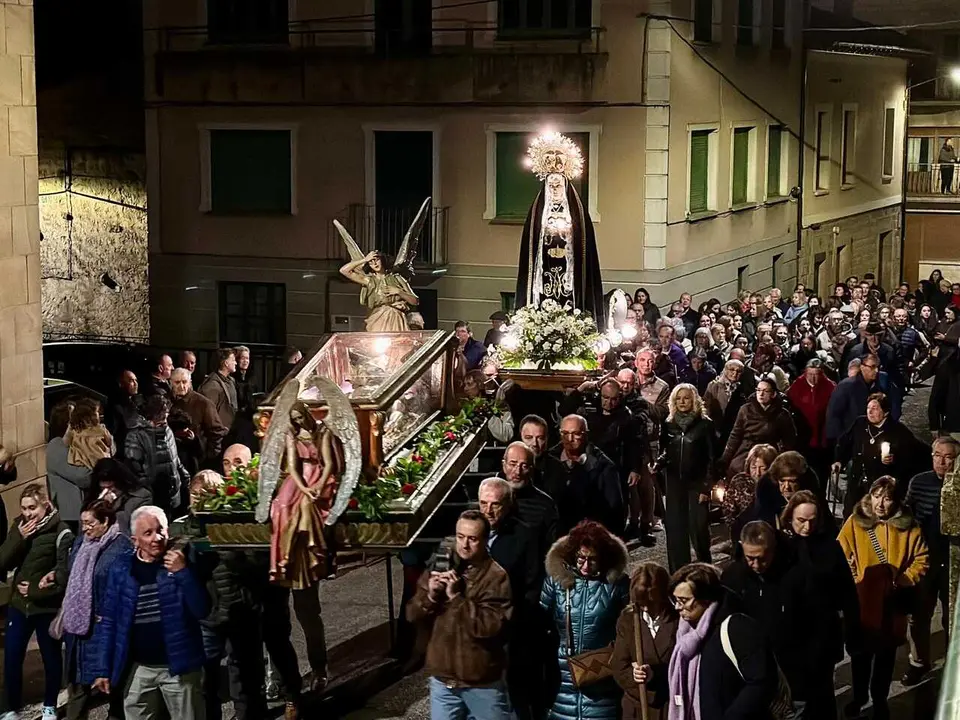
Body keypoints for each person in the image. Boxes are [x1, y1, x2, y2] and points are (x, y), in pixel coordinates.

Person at [92, 506, 208, 720]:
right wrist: (102, 668)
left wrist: (183, 573)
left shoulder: (184, 561)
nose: (157, 538)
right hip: (138, 669)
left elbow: (201, 609)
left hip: (178, 668)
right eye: (148, 533)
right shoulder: (121, 569)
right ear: (135, 540)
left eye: (160, 531)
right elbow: (108, 622)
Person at [722, 520, 839, 719]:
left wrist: (810, 668)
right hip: (753, 677)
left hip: (795, 676)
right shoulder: (734, 578)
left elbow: (821, 624)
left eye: (763, 558)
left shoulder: (800, 575)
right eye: (751, 558)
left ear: (774, 548)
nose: (757, 565)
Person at [408, 510, 514, 720]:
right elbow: (411, 615)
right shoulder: (439, 567)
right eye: (460, 537)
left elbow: (490, 627)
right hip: (444, 682)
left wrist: (456, 599)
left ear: (485, 541)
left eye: (472, 539)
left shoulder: (496, 577)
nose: (464, 545)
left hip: (482, 684)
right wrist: (429, 596)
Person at [838, 477, 928, 720]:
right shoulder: (856, 523)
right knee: (860, 655)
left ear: (895, 501)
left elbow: (921, 558)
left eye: (887, 498)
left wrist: (903, 580)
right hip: (862, 600)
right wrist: (856, 578)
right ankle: (859, 697)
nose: (880, 503)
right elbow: (842, 551)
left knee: (885, 657)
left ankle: (879, 699)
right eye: (877, 496)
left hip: (891, 602)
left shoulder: (909, 527)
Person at [667, 563, 779, 720]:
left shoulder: (736, 627)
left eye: (684, 600)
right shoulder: (686, 633)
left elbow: (761, 682)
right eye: (675, 600)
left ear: (705, 598)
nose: (678, 607)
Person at [541, 520, 629, 720]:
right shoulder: (555, 582)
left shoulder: (617, 585)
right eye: (581, 559)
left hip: (602, 683)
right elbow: (540, 622)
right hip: (561, 683)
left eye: (593, 560)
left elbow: (629, 630)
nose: (586, 566)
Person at [0, 484, 73, 720]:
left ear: (46, 506)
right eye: (24, 508)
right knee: (12, 657)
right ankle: (11, 708)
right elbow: (3, 563)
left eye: (32, 507)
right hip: (19, 607)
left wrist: (34, 590)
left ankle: (50, 705)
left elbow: (62, 574)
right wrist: (18, 538)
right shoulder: (19, 527)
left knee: (51, 657)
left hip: (46, 607)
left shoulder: (61, 532)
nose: (28, 513)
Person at [478, 478, 544, 720]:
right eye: (483, 504)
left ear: (508, 504)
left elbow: (532, 583)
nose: (488, 511)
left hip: (512, 631)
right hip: (478, 633)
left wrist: (515, 621)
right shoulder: (470, 534)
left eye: (495, 504)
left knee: (515, 698)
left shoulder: (524, 535)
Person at [62, 499, 132, 720]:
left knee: (112, 686)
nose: (85, 529)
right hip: (78, 629)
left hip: (103, 629)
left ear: (106, 521)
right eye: (82, 523)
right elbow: (69, 575)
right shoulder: (81, 543)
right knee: (77, 688)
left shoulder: (122, 547)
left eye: (90, 523)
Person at [902, 438, 960, 686]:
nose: (942, 461)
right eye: (937, 455)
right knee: (918, 615)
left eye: (948, 457)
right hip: (926, 559)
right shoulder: (919, 482)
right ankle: (919, 661)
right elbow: (907, 515)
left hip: (954, 560)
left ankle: (953, 665)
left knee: (953, 617)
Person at [834, 392, 928, 515]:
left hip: (881, 487)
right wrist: (839, 460)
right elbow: (845, 442)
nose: (870, 412)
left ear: (886, 412)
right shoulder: (860, 423)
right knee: (851, 513)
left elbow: (913, 457)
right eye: (868, 408)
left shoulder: (898, 431)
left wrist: (894, 460)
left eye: (875, 408)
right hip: (857, 481)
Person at [654, 384, 714, 571]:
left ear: (694, 400)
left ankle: (705, 567)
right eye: (678, 398)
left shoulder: (705, 424)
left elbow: (712, 458)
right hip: (674, 482)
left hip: (697, 482)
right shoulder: (668, 424)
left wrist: (707, 487)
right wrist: (658, 463)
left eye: (686, 398)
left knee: (699, 528)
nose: (682, 402)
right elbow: (667, 451)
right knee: (675, 528)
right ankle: (678, 571)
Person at [611, 562, 678, 720]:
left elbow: (686, 666)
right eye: (642, 603)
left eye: (651, 602)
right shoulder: (628, 619)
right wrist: (634, 676)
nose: (646, 608)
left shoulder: (678, 619)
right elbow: (619, 666)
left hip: (670, 706)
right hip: (637, 708)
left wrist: (654, 674)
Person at [542, 415, 624, 536]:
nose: (570, 439)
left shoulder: (603, 466)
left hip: (588, 537)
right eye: (565, 433)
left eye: (576, 434)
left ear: (585, 434)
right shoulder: (548, 461)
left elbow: (615, 509)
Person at [124, 394, 190, 516]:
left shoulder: (167, 431)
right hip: (153, 499)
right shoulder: (136, 436)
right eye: (161, 416)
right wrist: (149, 488)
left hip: (171, 494)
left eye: (166, 416)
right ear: (150, 416)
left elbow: (175, 459)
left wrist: (184, 477)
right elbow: (134, 471)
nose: (164, 420)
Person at [720, 377, 797, 477]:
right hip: (746, 449)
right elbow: (735, 435)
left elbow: (789, 440)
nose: (761, 394)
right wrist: (725, 458)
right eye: (759, 390)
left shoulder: (782, 414)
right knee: (736, 469)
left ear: (773, 394)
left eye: (765, 391)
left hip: (769, 452)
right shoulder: (745, 409)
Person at [501, 441, 558, 553]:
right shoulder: (490, 496)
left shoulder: (545, 505)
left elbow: (552, 548)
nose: (518, 472)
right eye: (513, 464)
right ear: (504, 465)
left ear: (532, 469)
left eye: (524, 466)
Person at [47, 400, 94, 532]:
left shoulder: (79, 444)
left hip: (87, 514)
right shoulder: (55, 447)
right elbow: (84, 478)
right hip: (70, 519)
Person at [787, 359, 836, 484]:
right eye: (810, 374)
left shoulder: (830, 387)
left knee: (821, 474)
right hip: (802, 440)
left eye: (816, 375)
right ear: (805, 373)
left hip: (823, 441)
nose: (813, 378)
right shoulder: (797, 386)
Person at [89, 458, 151, 535]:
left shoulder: (140, 498)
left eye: (110, 487)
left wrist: (108, 510)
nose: (107, 492)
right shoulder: (93, 498)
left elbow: (131, 531)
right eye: (103, 488)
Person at [199, 348, 240, 432]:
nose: (235, 363)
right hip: (218, 434)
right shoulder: (211, 385)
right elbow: (208, 413)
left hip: (230, 430)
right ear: (226, 363)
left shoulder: (231, 381)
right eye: (233, 360)